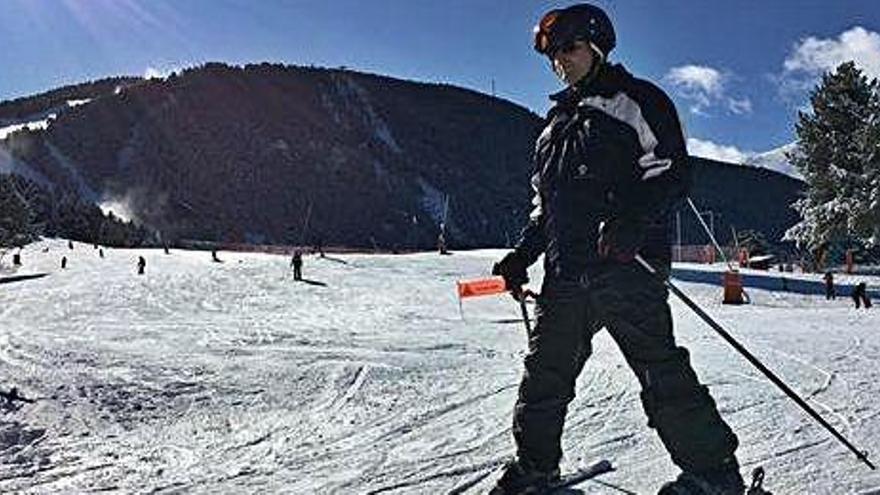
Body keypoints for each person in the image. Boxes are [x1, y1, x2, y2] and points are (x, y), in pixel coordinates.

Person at [489, 5, 742, 494]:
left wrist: (630, 223)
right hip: (566, 276)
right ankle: (536, 468)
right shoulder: (553, 129)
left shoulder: (636, 101)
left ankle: (714, 477)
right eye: (552, 54)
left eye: (569, 48)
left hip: (626, 265)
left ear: (597, 46)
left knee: (660, 372)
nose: (560, 61)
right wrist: (522, 255)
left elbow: (671, 171)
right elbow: (546, 209)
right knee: (544, 377)